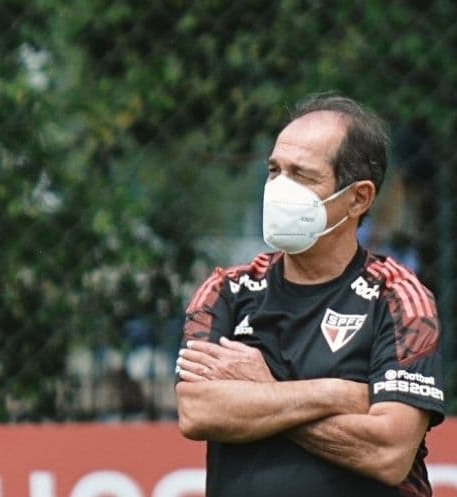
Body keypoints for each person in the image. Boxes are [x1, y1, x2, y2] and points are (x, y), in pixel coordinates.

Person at [174, 94, 444, 497]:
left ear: (358, 198)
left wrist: (263, 388)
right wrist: (336, 393)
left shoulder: (399, 299)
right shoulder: (226, 291)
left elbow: (388, 453)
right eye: (274, 170)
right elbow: (198, 411)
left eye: (302, 175)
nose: (280, 188)